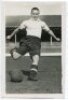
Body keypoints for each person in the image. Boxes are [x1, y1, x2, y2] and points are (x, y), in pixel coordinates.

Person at [7, 7, 60, 81]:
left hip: (36, 42)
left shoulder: (42, 23)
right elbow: (17, 29)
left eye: (37, 14)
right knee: (15, 57)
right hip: (27, 41)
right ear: (31, 14)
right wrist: (10, 35)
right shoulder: (26, 22)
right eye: (33, 14)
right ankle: (13, 51)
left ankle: (32, 76)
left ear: (39, 14)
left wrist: (55, 37)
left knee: (36, 59)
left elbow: (49, 31)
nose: (35, 15)